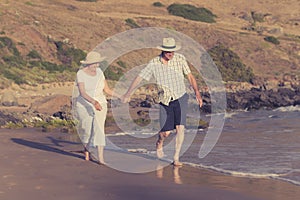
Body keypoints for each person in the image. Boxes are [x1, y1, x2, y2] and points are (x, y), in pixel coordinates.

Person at [123, 37, 203, 166]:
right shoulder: (154, 63)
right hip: (165, 100)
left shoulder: (180, 59)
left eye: (172, 51)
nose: (170, 54)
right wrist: (128, 93)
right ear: (162, 51)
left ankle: (176, 158)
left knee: (180, 129)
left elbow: (190, 76)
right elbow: (139, 77)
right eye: (168, 51)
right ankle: (159, 143)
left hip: (180, 97)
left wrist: (197, 93)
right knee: (165, 133)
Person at [75, 51, 121, 165]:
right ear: (88, 64)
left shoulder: (100, 72)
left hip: (101, 104)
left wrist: (121, 96)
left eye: (98, 63)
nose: (97, 66)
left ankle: (101, 158)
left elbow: (107, 90)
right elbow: (82, 93)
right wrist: (93, 102)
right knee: (87, 130)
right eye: (94, 63)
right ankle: (86, 151)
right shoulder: (80, 74)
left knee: (99, 129)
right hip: (84, 104)